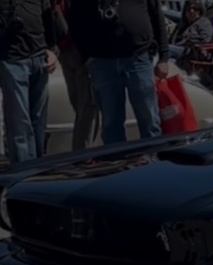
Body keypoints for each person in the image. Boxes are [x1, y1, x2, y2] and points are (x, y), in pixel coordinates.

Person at [70, 0, 168, 145]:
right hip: (102, 62)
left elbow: (157, 17)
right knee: (110, 122)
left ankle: (153, 158)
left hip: (138, 58)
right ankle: (117, 162)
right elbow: (76, 22)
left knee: (149, 117)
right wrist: (86, 56)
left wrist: (164, 57)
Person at [0, 0, 58, 163]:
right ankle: (24, 172)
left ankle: (38, 167)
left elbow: (48, 20)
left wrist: (52, 50)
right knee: (19, 122)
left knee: (38, 120)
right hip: (12, 61)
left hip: (40, 59)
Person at [55, 0, 98, 151]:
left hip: (73, 50)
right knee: (83, 106)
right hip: (70, 50)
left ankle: (81, 151)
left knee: (83, 107)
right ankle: (82, 152)